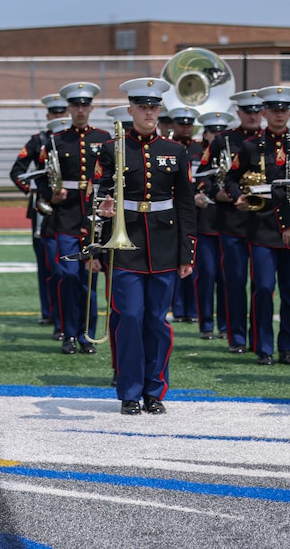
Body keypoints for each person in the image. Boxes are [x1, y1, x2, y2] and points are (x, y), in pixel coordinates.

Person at [97, 77, 195, 415]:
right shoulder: (112, 148)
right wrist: (100, 217)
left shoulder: (176, 151)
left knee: (157, 320)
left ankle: (155, 391)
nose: (149, 111)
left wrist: (187, 252)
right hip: (125, 246)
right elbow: (98, 195)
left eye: (154, 106)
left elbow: (185, 204)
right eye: (142, 106)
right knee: (131, 319)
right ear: (130, 110)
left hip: (166, 246)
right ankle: (129, 392)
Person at [225, 86, 290, 366]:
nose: (279, 114)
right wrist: (238, 197)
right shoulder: (250, 146)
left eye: (284, 110)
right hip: (262, 226)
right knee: (264, 288)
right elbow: (231, 179)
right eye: (274, 110)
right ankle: (263, 346)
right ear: (265, 112)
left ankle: (289, 346)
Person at [36, 81, 110, 355]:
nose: (80, 110)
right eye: (76, 105)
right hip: (65, 218)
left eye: (85, 105)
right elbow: (42, 178)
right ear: (69, 107)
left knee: (88, 279)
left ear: (91, 107)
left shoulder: (103, 139)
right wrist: (50, 195)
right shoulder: (56, 140)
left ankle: (86, 334)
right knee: (67, 276)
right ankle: (68, 332)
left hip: (94, 219)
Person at [209, 90, 264, 353]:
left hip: (265, 222)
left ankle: (260, 339)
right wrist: (220, 193)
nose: (252, 116)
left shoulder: (272, 140)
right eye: (247, 111)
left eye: (256, 111)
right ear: (239, 113)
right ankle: (237, 337)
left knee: (263, 285)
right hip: (232, 221)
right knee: (235, 281)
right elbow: (205, 177)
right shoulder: (223, 140)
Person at [9, 93, 68, 329]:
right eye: (55, 113)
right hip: (43, 210)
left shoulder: (75, 141)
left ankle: (66, 314)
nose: (59, 116)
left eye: (63, 111)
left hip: (71, 209)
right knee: (47, 265)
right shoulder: (38, 140)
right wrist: (38, 189)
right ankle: (49, 312)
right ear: (48, 116)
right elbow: (17, 171)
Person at [192, 110, 234, 340]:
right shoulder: (196, 155)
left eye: (220, 131)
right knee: (207, 275)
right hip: (205, 224)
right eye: (212, 131)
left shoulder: (232, 154)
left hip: (228, 222)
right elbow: (190, 183)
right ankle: (206, 323)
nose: (216, 135)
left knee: (226, 277)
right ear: (205, 134)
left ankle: (226, 325)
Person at [166, 106, 200, 325]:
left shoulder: (199, 148)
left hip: (196, 211)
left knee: (193, 266)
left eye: (189, 124)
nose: (185, 128)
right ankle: (178, 308)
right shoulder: (169, 147)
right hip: (172, 211)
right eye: (181, 124)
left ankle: (193, 309)